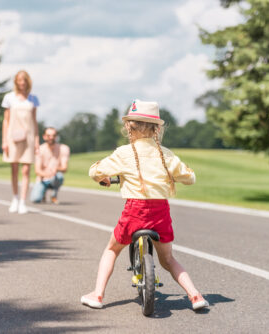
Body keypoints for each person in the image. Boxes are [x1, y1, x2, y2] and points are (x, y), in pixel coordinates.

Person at [80, 99, 209, 311]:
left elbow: (95, 171)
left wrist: (103, 178)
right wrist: (173, 177)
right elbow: (190, 177)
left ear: (129, 127)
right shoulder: (165, 154)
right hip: (160, 213)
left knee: (112, 249)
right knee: (167, 259)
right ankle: (195, 295)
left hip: (135, 211)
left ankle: (98, 294)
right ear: (157, 128)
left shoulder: (124, 153)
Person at [2, 70, 40, 214]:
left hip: (29, 136)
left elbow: (34, 121)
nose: (22, 83)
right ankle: (15, 198)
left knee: (26, 170)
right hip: (13, 136)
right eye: (19, 80)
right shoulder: (9, 98)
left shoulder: (33, 99)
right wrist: (4, 140)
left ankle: (23, 201)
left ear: (27, 81)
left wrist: (37, 141)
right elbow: (5, 120)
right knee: (14, 168)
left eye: (24, 80)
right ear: (16, 82)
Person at [30, 127, 70, 204]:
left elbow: (64, 168)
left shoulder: (64, 148)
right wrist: (48, 174)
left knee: (59, 176)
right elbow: (37, 171)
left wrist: (57, 169)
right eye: (49, 135)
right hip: (42, 179)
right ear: (44, 136)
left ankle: (54, 195)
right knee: (35, 199)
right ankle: (43, 193)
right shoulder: (40, 150)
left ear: (56, 136)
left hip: (55, 178)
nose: (51, 138)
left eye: (54, 135)